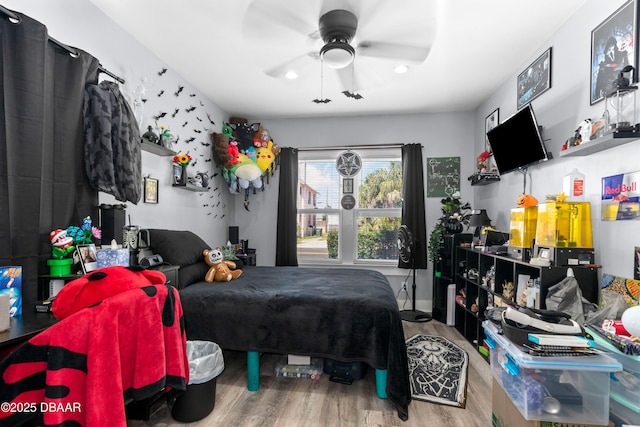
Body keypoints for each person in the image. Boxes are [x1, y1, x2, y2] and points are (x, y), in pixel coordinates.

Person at [595, 36, 629, 100]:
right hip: (609, 85)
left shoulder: (622, 55)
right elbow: (601, 77)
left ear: (614, 46)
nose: (610, 49)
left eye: (612, 46)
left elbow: (625, 67)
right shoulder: (606, 61)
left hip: (620, 82)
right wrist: (602, 69)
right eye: (609, 47)